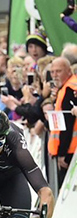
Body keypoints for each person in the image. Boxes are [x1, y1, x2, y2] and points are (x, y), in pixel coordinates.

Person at [49, 57, 77, 186]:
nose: (54, 75)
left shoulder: (70, 89)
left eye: (58, 71)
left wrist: (62, 153)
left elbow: (67, 124)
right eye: (52, 72)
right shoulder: (66, 87)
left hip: (70, 151)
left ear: (68, 71)